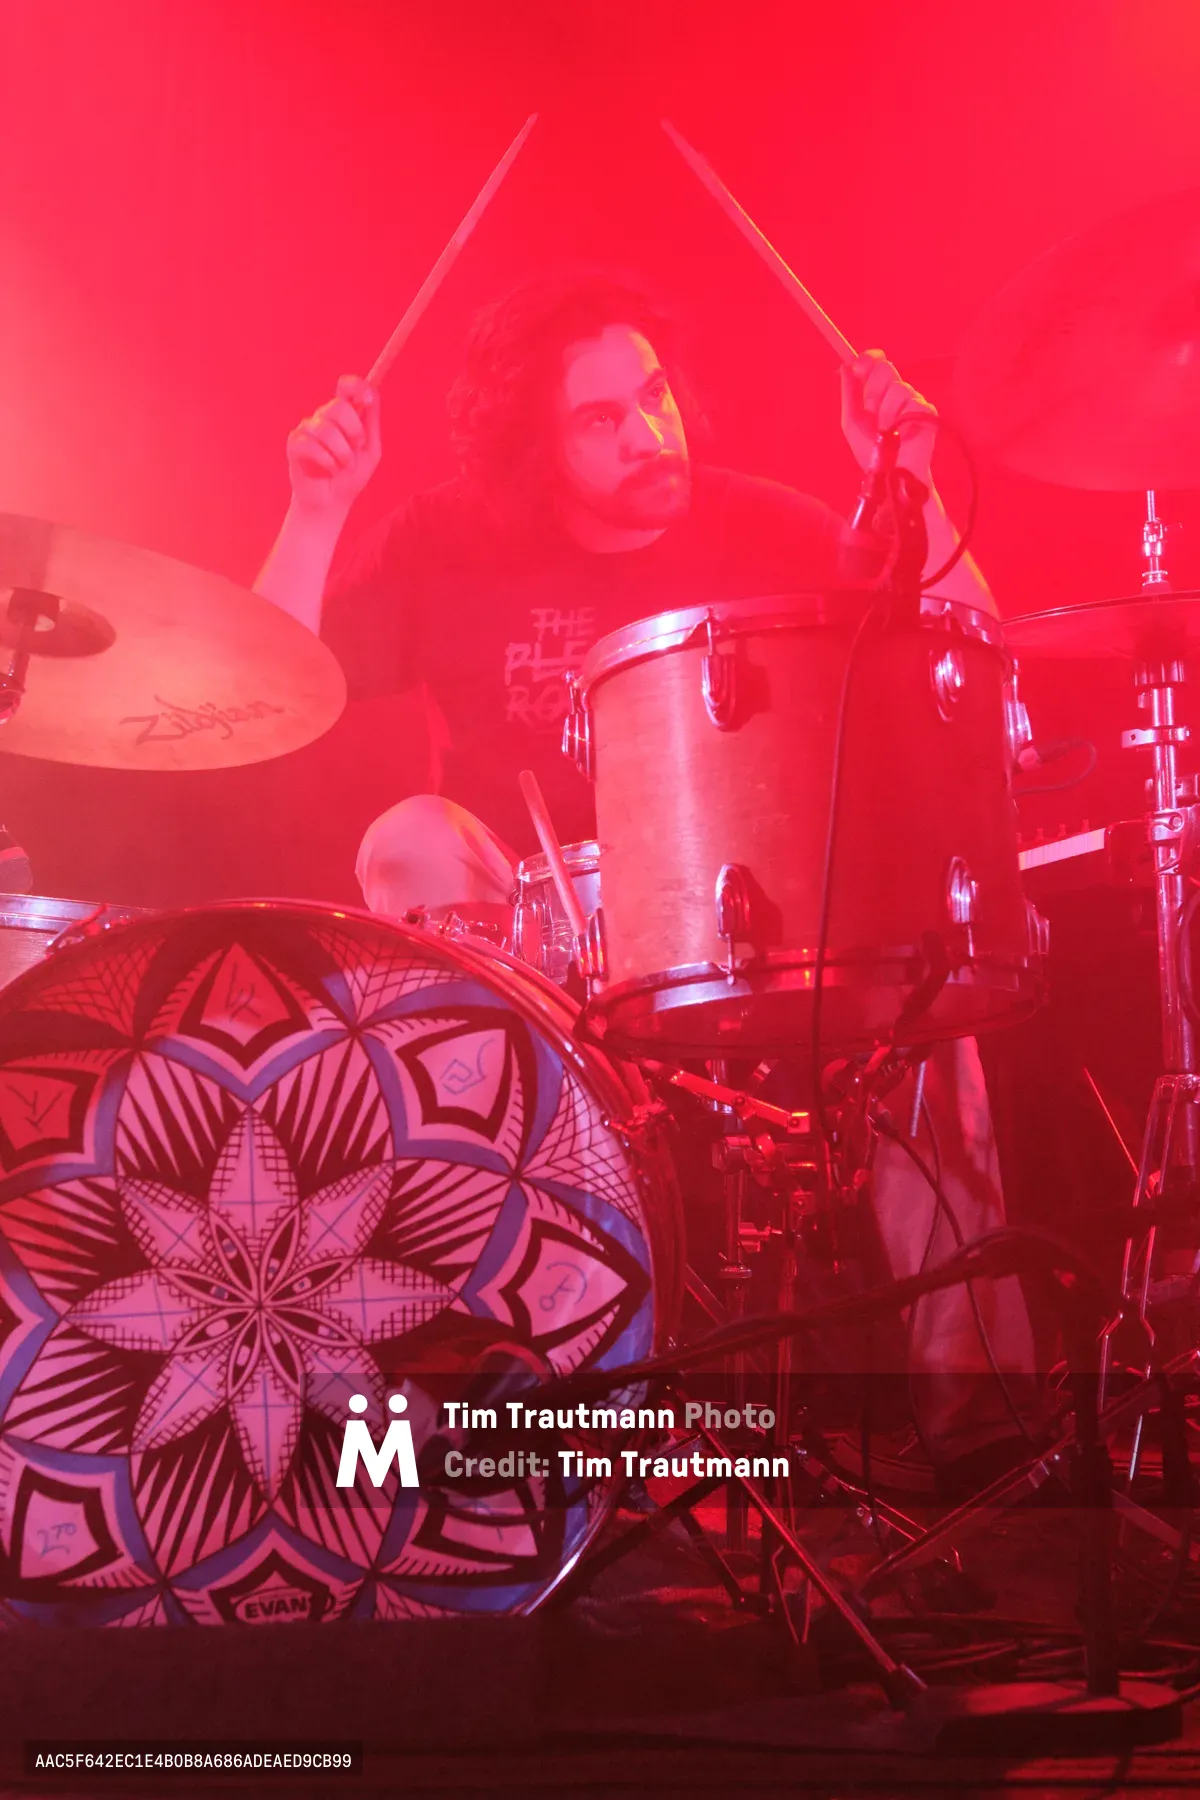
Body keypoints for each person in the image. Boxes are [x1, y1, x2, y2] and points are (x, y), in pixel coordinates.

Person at [256, 274, 1039, 1492]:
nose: (646, 433)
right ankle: (475, 1370)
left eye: (655, 396)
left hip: (747, 912)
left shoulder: (761, 522)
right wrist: (315, 511)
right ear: (537, 449)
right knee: (409, 834)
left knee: (925, 989)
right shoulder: (447, 539)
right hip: (535, 930)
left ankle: (982, 1420)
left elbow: (975, 667)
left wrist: (914, 483)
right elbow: (267, 689)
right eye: (600, 418)